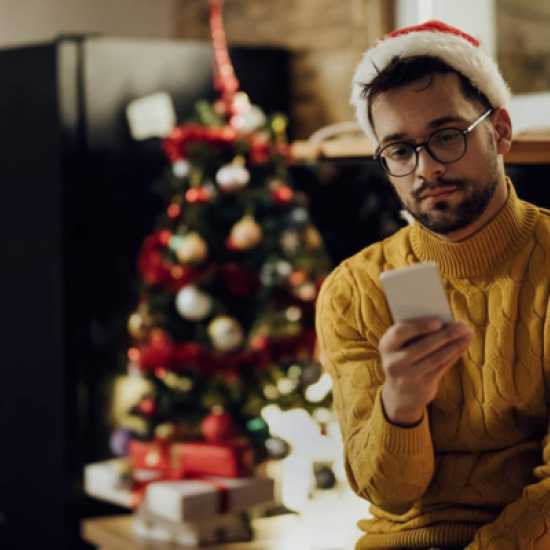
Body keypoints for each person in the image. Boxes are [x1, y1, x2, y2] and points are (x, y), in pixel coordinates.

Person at [315, 20, 550, 550]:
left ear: (501, 131)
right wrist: (401, 402)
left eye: (447, 137)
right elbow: (389, 495)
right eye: (400, 150)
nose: (426, 169)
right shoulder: (353, 290)